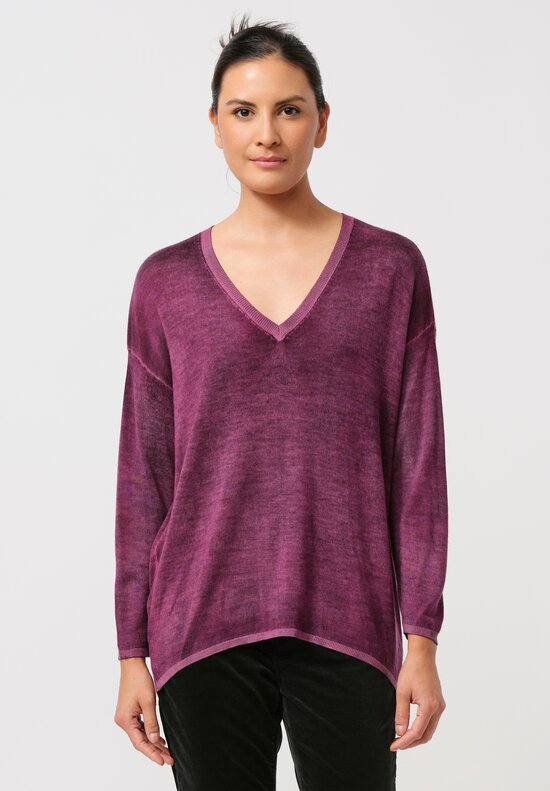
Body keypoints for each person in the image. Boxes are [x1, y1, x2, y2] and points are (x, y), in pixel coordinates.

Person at [113, 13, 448, 791]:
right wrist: (131, 650)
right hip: (201, 627)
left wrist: (422, 636)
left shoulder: (391, 271)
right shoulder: (166, 284)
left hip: (349, 622)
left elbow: (418, 467)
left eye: (289, 109)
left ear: (322, 122)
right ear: (215, 125)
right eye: (244, 111)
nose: (267, 133)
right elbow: (143, 477)